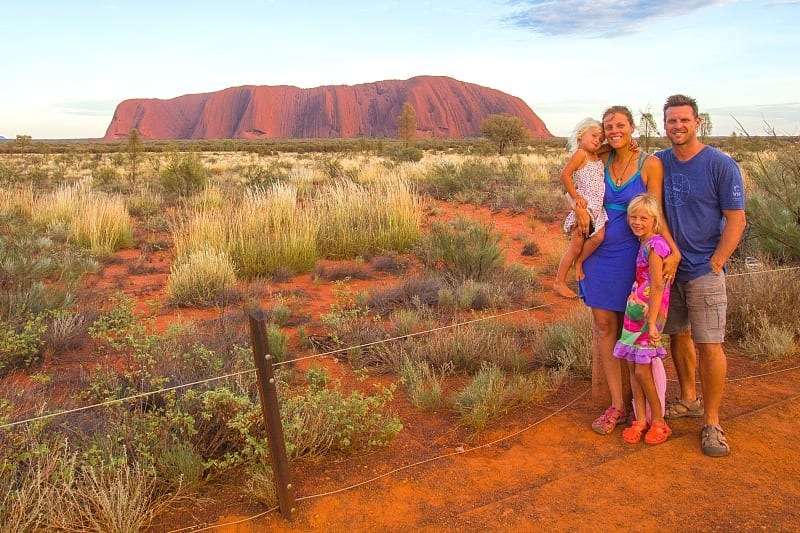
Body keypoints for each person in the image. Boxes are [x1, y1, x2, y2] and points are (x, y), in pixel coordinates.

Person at [575, 105, 680, 436]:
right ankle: (617, 405)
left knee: (633, 331)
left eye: (621, 125)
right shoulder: (600, 158)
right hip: (599, 253)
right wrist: (576, 207)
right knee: (605, 327)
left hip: (635, 259)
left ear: (633, 127)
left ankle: (646, 410)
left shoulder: (650, 164)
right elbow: (576, 181)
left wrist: (672, 250)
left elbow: (657, 212)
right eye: (608, 126)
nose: (614, 130)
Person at [656, 94, 746, 457]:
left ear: (698, 122)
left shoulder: (720, 165)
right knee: (678, 335)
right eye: (671, 121)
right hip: (670, 270)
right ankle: (688, 398)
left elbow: (736, 219)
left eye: (684, 120)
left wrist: (716, 262)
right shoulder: (659, 163)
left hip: (704, 269)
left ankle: (711, 420)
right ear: (664, 126)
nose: (677, 126)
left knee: (709, 344)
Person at [613, 193, 672, 445]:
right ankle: (640, 419)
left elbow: (658, 286)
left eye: (643, 218)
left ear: (654, 220)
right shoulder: (644, 243)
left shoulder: (656, 245)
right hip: (635, 312)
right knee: (632, 366)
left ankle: (659, 420)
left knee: (642, 369)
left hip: (649, 314)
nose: (636, 222)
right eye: (633, 217)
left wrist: (652, 323)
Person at [553, 118, 607, 298]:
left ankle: (580, 263)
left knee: (599, 236)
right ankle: (559, 282)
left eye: (601, 139)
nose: (597, 140)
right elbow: (565, 175)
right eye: (593, 136)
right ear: (580, 135)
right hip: (585, 207)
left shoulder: (597, 157)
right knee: (575, 248)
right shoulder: (581, 154)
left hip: (597, 210)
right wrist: (576, 199)